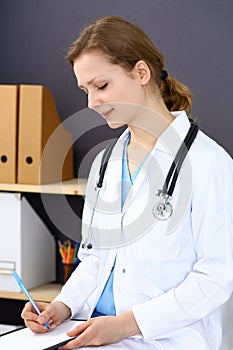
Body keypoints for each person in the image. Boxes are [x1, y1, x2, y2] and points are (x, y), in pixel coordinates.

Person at [21, 16, 233, 350]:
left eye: (101, 86)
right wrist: (63, 306)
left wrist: (124, 326)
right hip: (92, 334)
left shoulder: (209, 164)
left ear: (142, 73)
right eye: (85, 90)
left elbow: (215, 279)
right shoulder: (106, 163)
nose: (91, 103)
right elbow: (94, 258)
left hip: (166, 341)